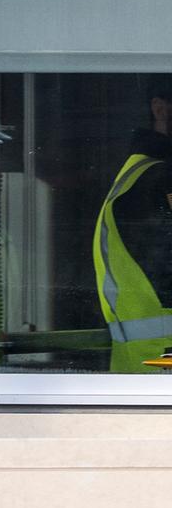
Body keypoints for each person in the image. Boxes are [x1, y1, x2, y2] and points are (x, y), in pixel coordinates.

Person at [92, 76, 172, 372]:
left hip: (144, 371)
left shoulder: (137, 173)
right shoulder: (160, 179)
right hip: (161, 367)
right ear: (160, 109)